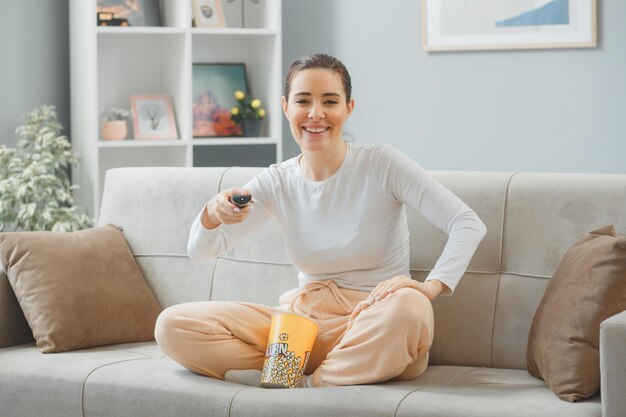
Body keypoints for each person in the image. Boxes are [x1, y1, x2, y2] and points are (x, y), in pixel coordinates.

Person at [155, 53, 487, 388]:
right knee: (172, 324)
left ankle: (307, 384)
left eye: (330, 101)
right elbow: (200, 251)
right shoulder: (276, 181)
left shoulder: (381, 164)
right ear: (286, 107)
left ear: (348, 108)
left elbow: (467, 222)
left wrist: (429, 287)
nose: (316, 114)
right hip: (300, 330)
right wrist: (212, 214)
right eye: (303, 101)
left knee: (410, 307)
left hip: (373, 326)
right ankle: (290, 371)